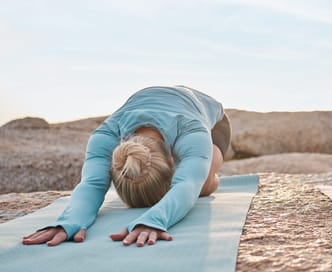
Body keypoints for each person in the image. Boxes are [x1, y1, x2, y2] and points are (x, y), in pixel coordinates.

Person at [22, 85, 231, 247]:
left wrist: (156, 219)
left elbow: (188, 183)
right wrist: (70, 221)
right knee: (192, 169)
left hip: (207, 115)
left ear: (170, 161)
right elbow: (92, 183)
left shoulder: (192, 130)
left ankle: (202, 167)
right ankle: (191, 164)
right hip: (154, 101)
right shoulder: (106, 135)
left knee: (203, 184)